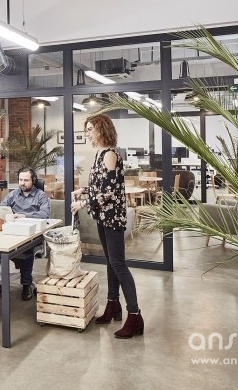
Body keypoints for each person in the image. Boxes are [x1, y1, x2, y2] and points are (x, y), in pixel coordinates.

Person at [71, 114, 144, 339]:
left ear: (102, 130)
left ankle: (135, 315)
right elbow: (99, 185)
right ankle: (113, 304)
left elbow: (109, 192)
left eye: (90, 129)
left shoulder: (110, 154)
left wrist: (83, 203)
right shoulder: (100, 154)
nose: (88, 134)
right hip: (103, 216)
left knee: (118, 264)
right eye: (87, 130)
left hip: (112, 217)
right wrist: (83, 190)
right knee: (111, 262)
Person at [0, 167, 51, 300]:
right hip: (12, 232)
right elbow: (1, 208)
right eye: (20, 180)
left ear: (33, 180)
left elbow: (45, 214)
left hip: (31, 234)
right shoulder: (13, 194)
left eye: (26, 180)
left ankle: (26, 285)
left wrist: (25, 215)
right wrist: (1, 214)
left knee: (26, 248)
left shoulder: (40, 195)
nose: (22, 183)